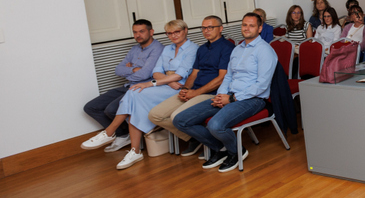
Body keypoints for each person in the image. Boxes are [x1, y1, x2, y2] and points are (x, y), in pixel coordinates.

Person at [173, 12, 277, 172]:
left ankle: (236, 151)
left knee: (215, 125)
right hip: (228, 95)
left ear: (260, 28)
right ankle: (221, 148)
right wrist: (220, 95)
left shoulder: (265, 50)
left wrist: (233, 98)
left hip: (252, 99)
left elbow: (261, 85)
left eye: (251, 25)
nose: (247, 28)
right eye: (244, 25)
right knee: (181, 120)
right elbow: (228, 76)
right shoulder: (237, 49)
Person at [103, 20, 198, 170]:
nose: (173, 36)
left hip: (180, 88)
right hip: (166, 86)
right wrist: (168, 81)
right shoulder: (167, 49)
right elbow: (155, 72)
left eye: (177, 32)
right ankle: (133, 150)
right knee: (134, 92)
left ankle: (111, 133)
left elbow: (179, 75)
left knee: (134, 93)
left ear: (185, 30)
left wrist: (154, 82)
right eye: (169, 33)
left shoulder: (193, 49)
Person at [149, 16, 233, 157]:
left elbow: (221, 78)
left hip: (212, 93)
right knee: (155, 115)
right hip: (195, 90)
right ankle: (197, 137)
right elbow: (194, 73)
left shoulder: (228, 48)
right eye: (203, 28)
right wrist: (185, 89)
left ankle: (217, 145)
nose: (206, 30)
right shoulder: (202, 48)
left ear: (220, 28)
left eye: (210, 27)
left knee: (177, 117)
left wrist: (195, 93)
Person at [81, 19, 163, 153]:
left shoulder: (158, 49)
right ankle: (123, 135)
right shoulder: (134, 49)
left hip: (142, 88)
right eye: (135, 32)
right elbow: (118, 70)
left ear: (151, 32)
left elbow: (144, 75)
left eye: (141, 31)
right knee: (90, 107)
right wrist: (134, 69)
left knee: (111, 110)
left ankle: (121, 135)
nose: (138, 35)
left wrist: (130, 71)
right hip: (128, 86)